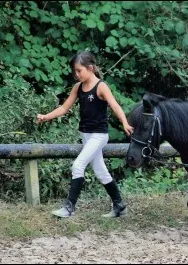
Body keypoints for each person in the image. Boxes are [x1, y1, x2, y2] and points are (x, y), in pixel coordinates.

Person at [37, 51, 133, 218]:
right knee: (101, 171)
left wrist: (124, 122)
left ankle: (69, 207)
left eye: (79, 70)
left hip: (99, 136)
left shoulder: (101, 86)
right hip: (86, 135)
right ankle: (120, 205)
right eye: (74, 71)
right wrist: (46, 116)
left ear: (90, 68)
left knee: (78, 165)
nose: (76, 74)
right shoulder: (78, 87)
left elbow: (115, 106)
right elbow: (64, 108)